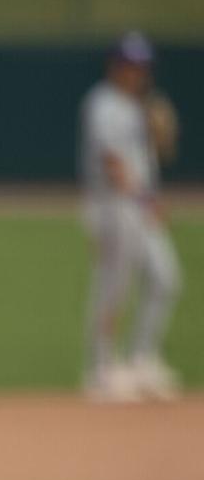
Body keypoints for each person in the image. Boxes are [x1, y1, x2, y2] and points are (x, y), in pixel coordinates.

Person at [79, 31, 182, 401]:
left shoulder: (138, 105)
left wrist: (160, 136)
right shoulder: (103, 104)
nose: (137, 71)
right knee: (113, 287)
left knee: (165, 278)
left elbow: (151, 158)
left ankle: (141, 360)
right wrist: (146, 200)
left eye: (142, 65)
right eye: (130, 64)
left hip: (138, 206)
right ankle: (102, 369)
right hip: (114, 208)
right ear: (115, 65)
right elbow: (113, 164)